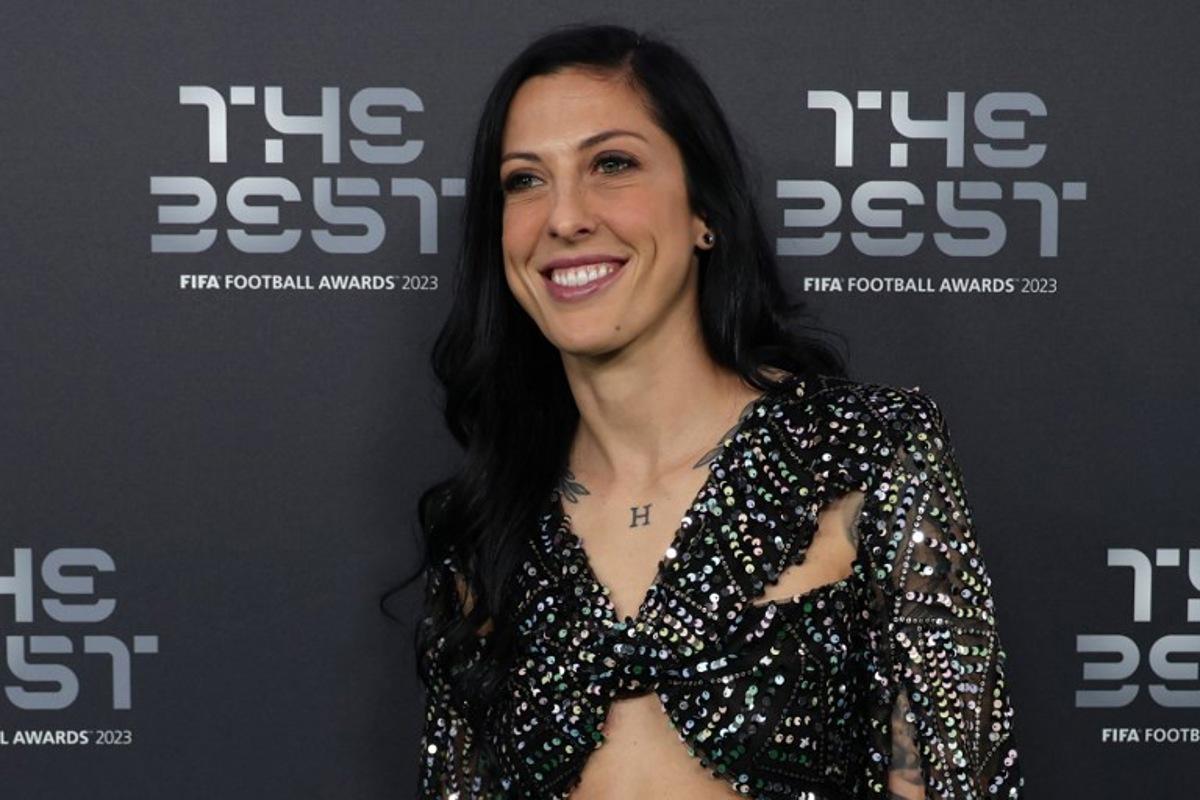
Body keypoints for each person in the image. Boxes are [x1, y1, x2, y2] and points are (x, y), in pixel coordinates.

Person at [408, 22, 1023, 800]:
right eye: (524, 180)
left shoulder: (863, 454)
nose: (564, 218)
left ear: (705, 210)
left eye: (612, 164)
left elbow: (954, 780)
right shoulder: (485, 526)